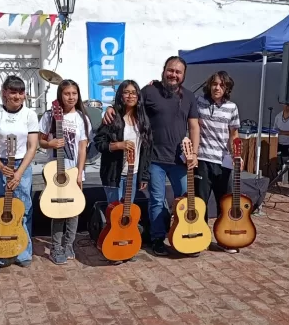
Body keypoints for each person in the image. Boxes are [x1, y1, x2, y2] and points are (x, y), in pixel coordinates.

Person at [102, 56, 200, 256]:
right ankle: (157, 239)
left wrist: (194, 154)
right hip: (154, 159)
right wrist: (111, 107)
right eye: (170, 70)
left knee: (186, 200)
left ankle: (185, 235)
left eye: (178, 72)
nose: (173, 74)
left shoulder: (190, 97)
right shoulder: (149, 91)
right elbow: (130, 103)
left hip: (180, 159)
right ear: (163, 70)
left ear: (183, 75)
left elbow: (194, 126)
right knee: (157, 199)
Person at [0, 76, 39, 275]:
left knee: (23, 209)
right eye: (13, 92)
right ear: (4, 93)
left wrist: (18, 173)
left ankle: (23, 251)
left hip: (22, 165)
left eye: (21, 92)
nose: (17, 96)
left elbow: (32, 147)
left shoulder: (30, 115)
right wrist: (1, 167)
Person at [39, 79, 90, 265]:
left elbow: (83, 148)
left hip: (74, 171)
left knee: (73, 210)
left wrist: (80, 173)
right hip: (55, 173)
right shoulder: (49, 116)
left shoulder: (82, 118)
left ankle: (69, 244)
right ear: (60, 95)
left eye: (74, 94)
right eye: (67, 93)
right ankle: (55, 246)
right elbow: (41, 141)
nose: (71, 97)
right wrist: (50, 143)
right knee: (58, 210)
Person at [195, 71, 241, 252]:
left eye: (222, 85)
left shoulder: (232, 107)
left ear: (227, 88)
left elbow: (234, 134)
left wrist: (236, 154)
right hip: (202, 159)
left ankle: (224, 238)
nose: (217, 88)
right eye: (214, 84)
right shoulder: (199, 101)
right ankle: (200, 238)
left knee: (225, 202)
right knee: (200, 203)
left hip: (224, 162)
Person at [94, 80, 152, 204]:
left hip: (134, 174)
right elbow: (99, 143)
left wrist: (144, 176)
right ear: (120, 95)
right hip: (114, 174)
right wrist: (117, 145)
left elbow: (147, 151)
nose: (130, 96)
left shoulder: (143, 120)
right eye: (126, 92)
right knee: (114, 213)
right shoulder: (112, 116)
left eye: (133, 93)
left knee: (127, 213)